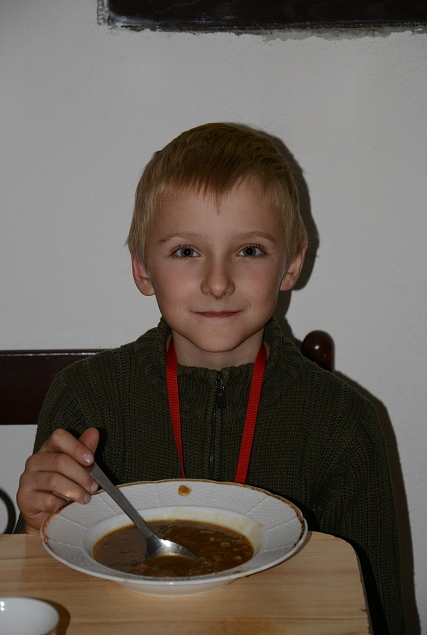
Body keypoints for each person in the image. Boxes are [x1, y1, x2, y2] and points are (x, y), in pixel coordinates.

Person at [16, 123, 406, 633]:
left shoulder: (342, 423)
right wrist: (34, 527)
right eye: (186, 251)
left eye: (249, 250)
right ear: (143, 268)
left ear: (291, 263)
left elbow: (378, 613)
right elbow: (37, 600)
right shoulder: (84, 399)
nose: (218, 283)